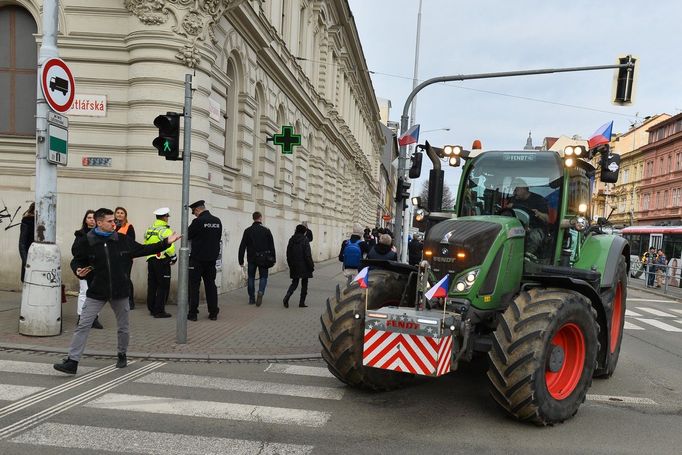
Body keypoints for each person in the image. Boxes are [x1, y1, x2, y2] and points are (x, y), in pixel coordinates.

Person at [53, 208, 181, 375]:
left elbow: (143, 249)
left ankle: (122, 354)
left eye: (114, 221)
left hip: (120, 290)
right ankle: (72, 361)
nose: (114, 223)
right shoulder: (87, 241)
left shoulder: (121, 239)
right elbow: (77, 260)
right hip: (97, 290)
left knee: (123, 327)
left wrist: (166, 242)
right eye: (110, 221)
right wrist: (77, 270)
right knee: (83, 325)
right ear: (99, 223)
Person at [187, 200, 223, 321]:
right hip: (211, 260)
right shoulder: (217, 221)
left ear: (197, 210)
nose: (194, 215)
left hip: (197, 259)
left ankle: (193, 313)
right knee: (211, 286)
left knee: (194, 286)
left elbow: (187, 235)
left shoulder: (198, 221)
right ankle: (213, 312)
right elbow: (218, 238)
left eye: (194, 212)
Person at [72, 210, 103, 329]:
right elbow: (75, 252)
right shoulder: (80, 235)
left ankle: (94, 318)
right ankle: (81, 316)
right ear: (85, 220)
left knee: (97, 293)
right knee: (84, 292)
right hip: (85, 267)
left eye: (93, 218)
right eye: (89, 217)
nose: (91, 219)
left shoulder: (101, 234)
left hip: (98, 268)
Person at [144, 207, 177, 318]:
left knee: (152, 285)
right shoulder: (166, 230)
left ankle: (152, 308)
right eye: (167, 216)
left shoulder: (150, 229)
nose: (168, 218)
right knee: (163, 285)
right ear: (164, 217)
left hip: (151, 259)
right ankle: (159, 311)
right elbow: (169, 247)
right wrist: (174, 257)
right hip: (162, 260)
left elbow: (146, 243)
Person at [238, 211, 276, 306]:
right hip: (264, 258)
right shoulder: (266, 230)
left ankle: (251, 298)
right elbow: (272, 246)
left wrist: (241, 259)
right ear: (260, 218)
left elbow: (242, 246)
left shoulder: (248, 230)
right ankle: (260, 292)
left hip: (251, 258)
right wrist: (273, 258)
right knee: (263, 277)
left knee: (251, 277)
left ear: (253, 218)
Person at [506, 178, 549, 258]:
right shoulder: (513, 199)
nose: (514, 192)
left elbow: (547, 219)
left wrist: (539, 213)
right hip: (516, 226)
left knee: (534, 236)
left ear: (524, 188)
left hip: (535, 228)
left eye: (516, 189)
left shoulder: (538, 200)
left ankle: (527, 256)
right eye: (513, 190)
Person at [283, 224, 314, 308]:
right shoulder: (305, 240)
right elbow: (307, 255)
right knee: (304, 284)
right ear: (304, 232)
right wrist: (311, 266)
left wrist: (290, 264)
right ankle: (301, 302)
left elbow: (288, 253)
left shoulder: (291, 239)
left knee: (294, 283)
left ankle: (287, 296)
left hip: (294, 264)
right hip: (304, 265)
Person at [114, 206, 136, 310]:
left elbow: (131, 242)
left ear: (125, 215)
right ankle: (118, 300)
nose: (119, 214)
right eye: (117, 212)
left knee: (126, 278)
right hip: (114, 257)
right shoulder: (112, 226)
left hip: (125, 258)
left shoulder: (129, 226)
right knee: (116, 278)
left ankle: (130, 301)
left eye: (122, 213)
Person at [18, 202, 35, 282]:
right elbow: (22, 244)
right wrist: (26, 262)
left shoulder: (42, 224)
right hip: (29, 259)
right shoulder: (27, 222)